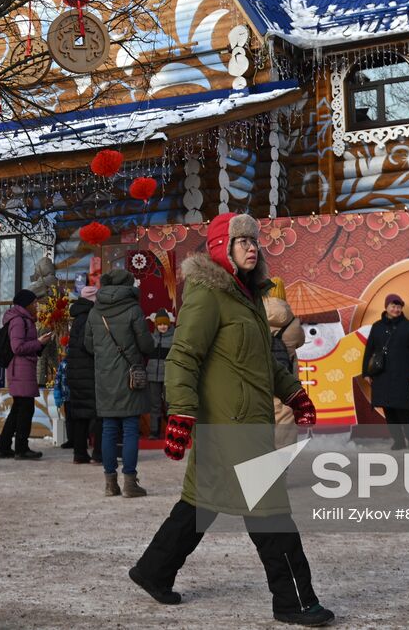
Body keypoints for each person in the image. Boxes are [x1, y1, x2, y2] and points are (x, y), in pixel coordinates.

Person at [131, 212, 333, 627]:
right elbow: (183, 356)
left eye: (254, 241)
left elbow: (262, 362)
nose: (252, 247)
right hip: (231, 427)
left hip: (245, 422)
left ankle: (154, 571)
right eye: (242, 241)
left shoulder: (249, 297)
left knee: (201, 504)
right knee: (271, 513)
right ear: (221, 247)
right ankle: (294, 601)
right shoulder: (208, 293)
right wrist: (181, 413)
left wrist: (294, 394)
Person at [83, 268, 153, 498]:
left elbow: (89, 346)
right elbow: (146, 345)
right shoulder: (133, 309)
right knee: (131, 428)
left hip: (104, 377)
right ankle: (130, 483)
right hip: (129, 377)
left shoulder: (95, 311)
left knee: (109, 428)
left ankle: (110, 484)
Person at [0, 289, 53, 460]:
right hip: (19, 370)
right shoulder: (19, 321)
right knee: (25, 409)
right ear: (26, 304)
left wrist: (41, 344)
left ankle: (4, 447)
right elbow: (18, 348)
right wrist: (38, 342)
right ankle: (21, 449)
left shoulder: (24, 320)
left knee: (18, 409)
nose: (37, 306)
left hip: (23, 369)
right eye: (34, 303)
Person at [360, 293, 409, 450]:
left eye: (399, 307)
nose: (396, 309)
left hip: (402, 375)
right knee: (388, 410)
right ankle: (398, 441)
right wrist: (366, 373)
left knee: (403, 410)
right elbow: (369, 351)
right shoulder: (377, 326)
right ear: (386, 307)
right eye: (393, 306)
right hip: (382, 376)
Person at [264, 281, 304, 450]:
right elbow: (300, 342)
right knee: (285, 415)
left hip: (261, 375)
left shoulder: (255, 315)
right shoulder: (293, 322)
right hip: (286, 377)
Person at [65, 286, 100, 463]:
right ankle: (99, 453)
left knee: (81, 413)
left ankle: (79, 453)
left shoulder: (79, 316)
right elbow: (87, 345)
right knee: (98, 413)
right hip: (88, 371)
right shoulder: (89, 317)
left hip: (76, 371)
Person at [146, 312, 175, 440]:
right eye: (160, 324)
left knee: (169, 404)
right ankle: (154, 431)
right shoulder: (151, 338)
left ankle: (172, 431)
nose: (162, 326)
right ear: (156, 325)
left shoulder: (174, 338)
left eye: (165, 324)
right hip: (153, 375)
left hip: (168, 376)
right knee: (155, 404)